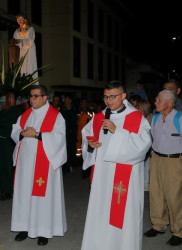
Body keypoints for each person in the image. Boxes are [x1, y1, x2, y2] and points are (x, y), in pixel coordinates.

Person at [81, 81, 152, 250]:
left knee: (123, 214)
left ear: (123, 96)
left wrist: (117, 131)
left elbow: (143, 145)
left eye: (113, 96)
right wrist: (90, 146)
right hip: (102, 176)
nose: (108, 101)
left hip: (124, 178)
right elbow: (87, 136)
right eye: (106, 97)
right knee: (101, 211)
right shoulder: (99, 116)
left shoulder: (135, 117)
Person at [10, 85, 67, 246]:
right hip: (25, 163)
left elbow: (59, 138)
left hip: (45, 163)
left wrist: (37, 134)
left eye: (35, 96)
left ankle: (43, 230)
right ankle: (23, 227)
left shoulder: (56, 116)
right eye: (30, 96)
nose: (32, 99)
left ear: (44, 98)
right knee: (24, 193)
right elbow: (14, 130)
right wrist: (22, 133)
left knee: (43, 197)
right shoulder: (26, 114)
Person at [144, 90, 182, 246]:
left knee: (174, 197)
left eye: (159, 100)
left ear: (170, 103)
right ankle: (158, 225)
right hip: (156, 159)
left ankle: (178, 231)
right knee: (155, 194)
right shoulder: (156, 118)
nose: (156, 102)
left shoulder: (179, 118)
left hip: (174, 161)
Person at [0, 91, 22, 201]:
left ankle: (8, 191)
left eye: (8, 98)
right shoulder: (6, 110)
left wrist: (5, 112)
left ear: (13, 99)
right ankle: (3, 190)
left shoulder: (17, 111)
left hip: (9, 143)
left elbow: (6, 123)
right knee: (1, 167)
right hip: (2, 142)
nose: (6, 101)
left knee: (7, 167)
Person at [10, 14, 38, 79]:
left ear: (25, 19)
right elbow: (14, 40)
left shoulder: (30, 29)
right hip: (21, 52)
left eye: (21, 19)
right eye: (18, 20)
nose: (20, 21)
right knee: (22, 68)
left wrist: (20, 41)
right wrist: (14, 42)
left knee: (30, 67)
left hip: (30, 51)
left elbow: (30, 40)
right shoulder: (17, 31)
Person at [136, 99, 153, 191]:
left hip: (148, 144)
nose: (137, 108)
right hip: (139, 143)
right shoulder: (139, 117)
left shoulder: (149, 117)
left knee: (146, 164)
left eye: (139, 106)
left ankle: (146, 183)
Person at [60, 94, 77, 174]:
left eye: (67, 99)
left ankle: (69, 166)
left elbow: (75, 124)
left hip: (71, 135)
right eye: (65, 100)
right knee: (64, 150)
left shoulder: (74, 111)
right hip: (64, 134)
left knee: (70, 150)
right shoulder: (62, 111)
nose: (65, 101)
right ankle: (65, 166)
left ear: (70, 101)